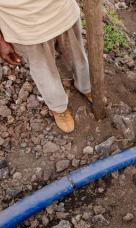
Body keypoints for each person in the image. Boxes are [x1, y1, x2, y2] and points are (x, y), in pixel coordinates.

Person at [0, 0, 92, 133]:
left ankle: (87, 87)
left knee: (77, 57)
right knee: (43, 72)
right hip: (22, 26)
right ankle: (58, 107)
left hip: (62, 11)